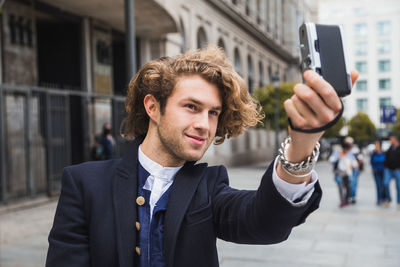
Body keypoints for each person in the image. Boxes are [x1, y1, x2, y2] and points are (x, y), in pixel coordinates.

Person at [46, 46, 358, 267]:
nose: (204, 125)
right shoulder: (85, 182)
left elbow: (264, 223)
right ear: (153, 107)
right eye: (192, 107)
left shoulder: (210, 187)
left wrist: (301, 144)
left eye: (213, 113)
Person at [329, 140, 358, 208]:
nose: (346, 151)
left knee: (348, 187)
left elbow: (355, 164)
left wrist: (352, 165)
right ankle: (342, 201)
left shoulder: (350, 154)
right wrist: (338, 157)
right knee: (340, 187)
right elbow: (331, 160)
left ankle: (346, 199)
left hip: (347, 173)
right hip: (339, 172)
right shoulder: (337, 153)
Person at [382, 134, 400, 208]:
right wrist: (385, 166)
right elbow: (386, 157)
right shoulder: (390, 148)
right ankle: (388, 199)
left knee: (399, 187)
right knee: (385, 183)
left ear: (395, 140)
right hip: (389, 169)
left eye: (391, 139)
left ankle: (399, 202)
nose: (390, 141)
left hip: (397, 170)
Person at [370, 140, 386, 205]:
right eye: (375, 144)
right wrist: (374, 168)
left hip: (383, 171)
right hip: (376, 171)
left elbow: (384, 160)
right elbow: (371, 162)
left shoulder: (384, 152)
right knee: (378, 186)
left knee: (384, 185)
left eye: (377, 144)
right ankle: (379, 199)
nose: (376, 146)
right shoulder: (373, 153)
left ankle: (384, 198)